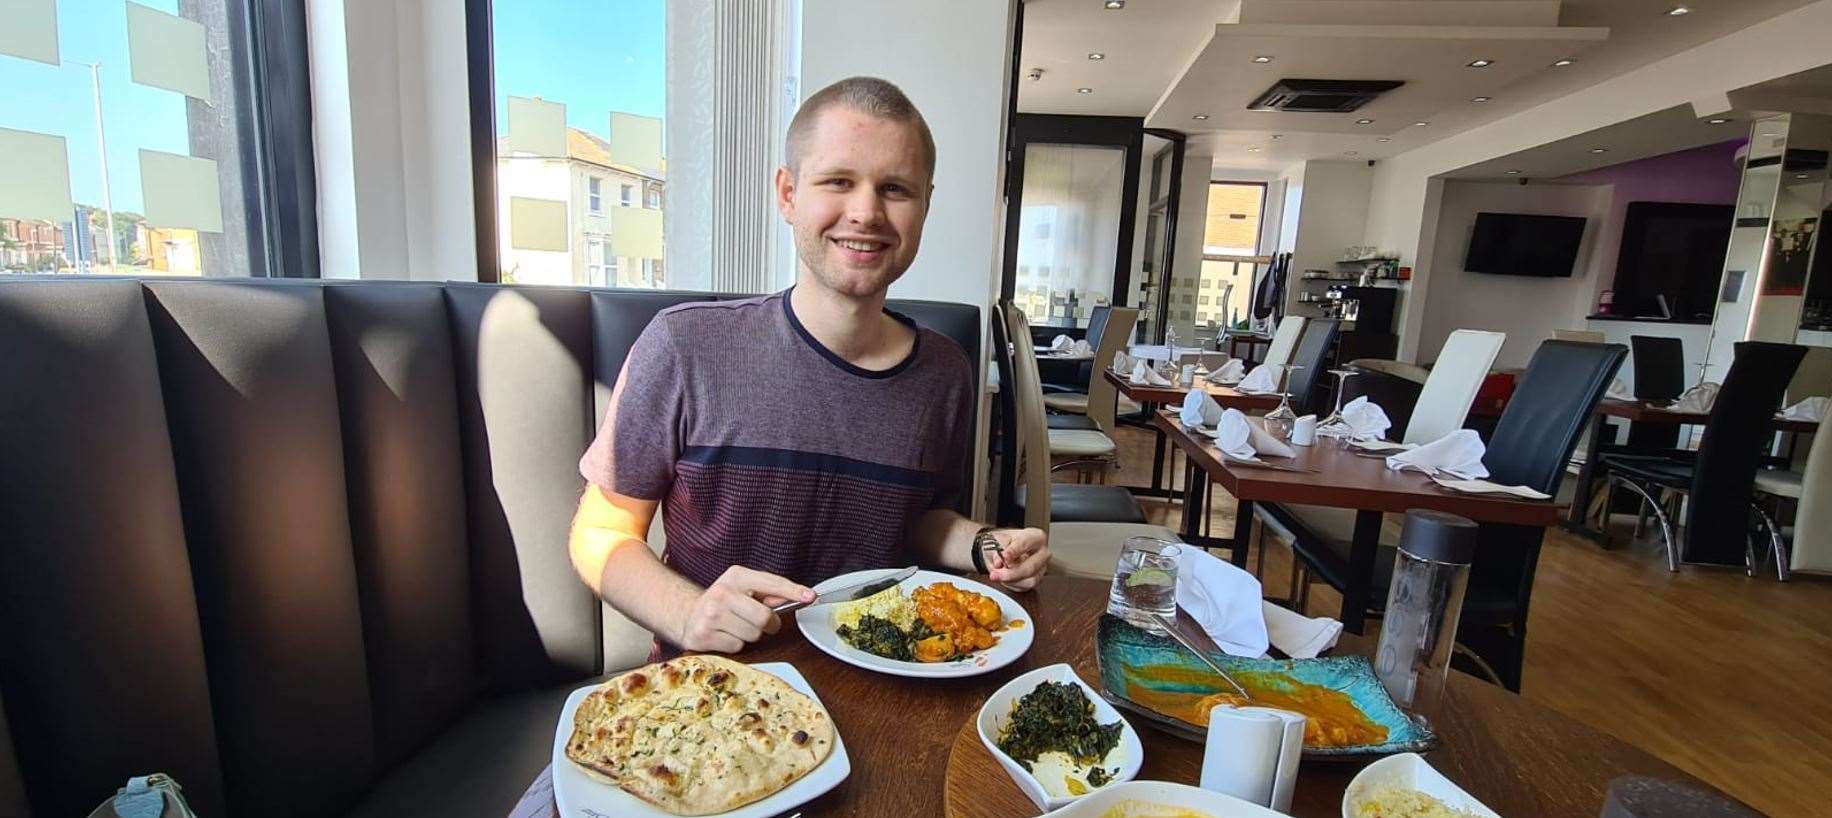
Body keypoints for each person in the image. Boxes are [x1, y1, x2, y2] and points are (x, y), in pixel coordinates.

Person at [567, 76, 1050, 657]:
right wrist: (688, 612)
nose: (866, 212)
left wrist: (986, 546)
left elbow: (920, 520)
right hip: (714, 697)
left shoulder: (945, 373)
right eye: (838, 182)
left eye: (895, 188)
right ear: (789, 194)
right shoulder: (685, 344)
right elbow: (599, 533)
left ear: (925, 205)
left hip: (883, 685)